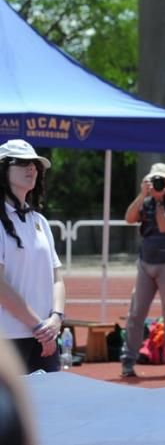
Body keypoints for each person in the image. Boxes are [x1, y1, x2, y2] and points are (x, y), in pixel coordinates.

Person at [0, 140, 65, 374]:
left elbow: (56, 277)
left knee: (50, 408)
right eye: (23, 162)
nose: (32, 168)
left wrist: (56, 318)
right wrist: (38, 326)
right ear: (3, 170)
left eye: (35, 164)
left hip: (44, 336)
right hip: (8, 338)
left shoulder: (40, 221)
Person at [121, 162, 165, 378]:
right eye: (155, 180)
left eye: (162, 181)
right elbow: (129, 218)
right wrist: (143, 196)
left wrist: (160, 200)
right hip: (146, 263)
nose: (159, 184)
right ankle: (128, 360)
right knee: (135, 314)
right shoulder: (147, 200)